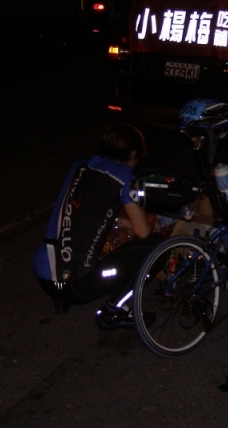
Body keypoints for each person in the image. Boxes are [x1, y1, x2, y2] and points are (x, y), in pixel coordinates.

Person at [32, 123, 164, 330]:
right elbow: (143, 232)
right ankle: (113, 311)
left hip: (44, 274)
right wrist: (151, 222)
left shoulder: (81, 165)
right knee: (158, 246)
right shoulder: (125, 176)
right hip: (75, 286)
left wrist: (122, 222)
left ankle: (62, 297)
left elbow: (85, 211)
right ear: (133, 154)